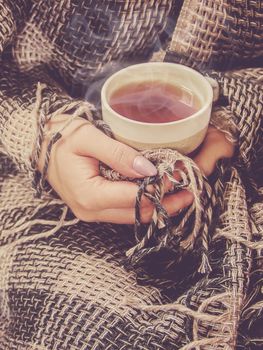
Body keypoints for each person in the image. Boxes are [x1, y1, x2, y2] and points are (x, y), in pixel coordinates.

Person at [0, 1, 262, 349]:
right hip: (39, 174)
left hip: (241, 166)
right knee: (88, 326)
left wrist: (233, 119)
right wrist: (42, 134)